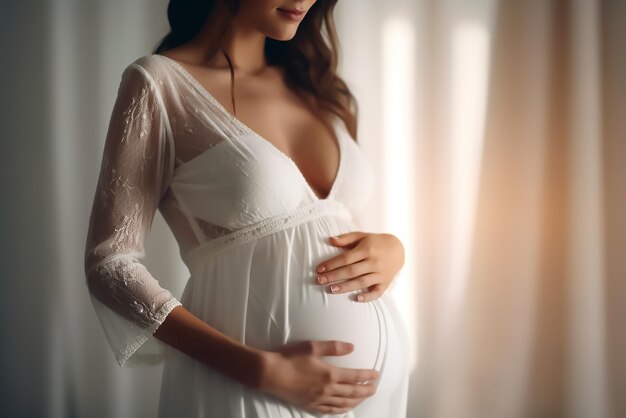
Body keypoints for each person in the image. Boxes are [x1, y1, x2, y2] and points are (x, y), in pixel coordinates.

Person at [83, 0, 410, 416]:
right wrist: (261, 370)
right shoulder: (160, 84)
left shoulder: (318, 88)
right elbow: (110, 265)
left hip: (372, 399)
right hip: (250, 390)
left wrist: (393, 251)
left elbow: (336, 226)